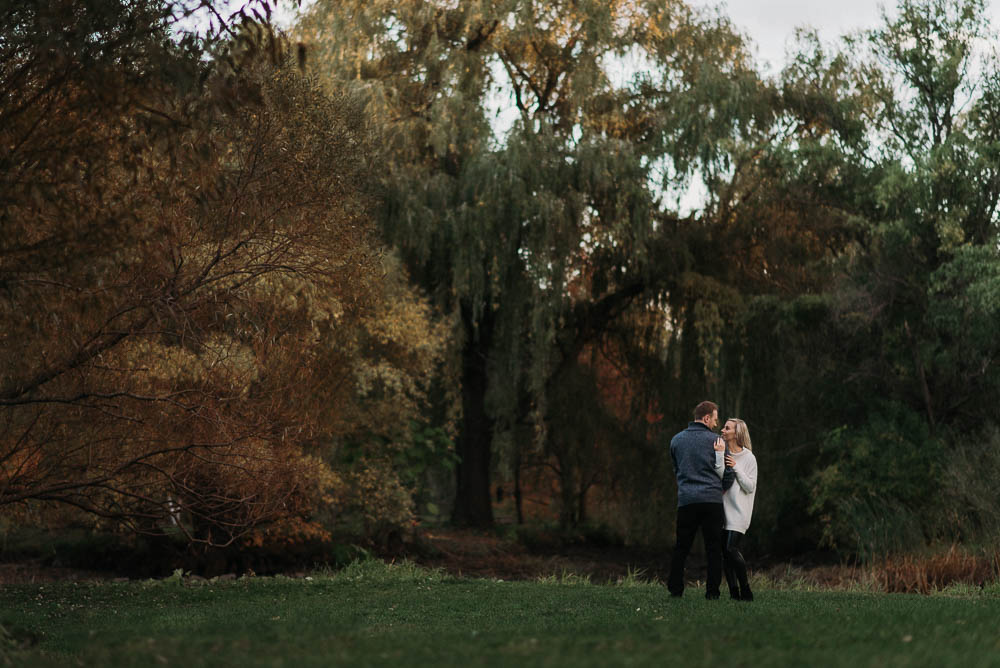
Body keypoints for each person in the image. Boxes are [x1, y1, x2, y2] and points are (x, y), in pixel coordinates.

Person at [667, 400, 726, 599]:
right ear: (706, 417)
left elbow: (677, 469)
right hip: (712, 500)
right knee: (713, 548)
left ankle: (675, 589)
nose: (716, 425)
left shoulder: (676, 440)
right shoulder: (717, 441)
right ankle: (712, 593)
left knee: (681, 547)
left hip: (687, 500)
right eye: (715, 420)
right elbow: (723, 473)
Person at [719, 418, 758, 601]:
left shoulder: (749, 457)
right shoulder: (721, 453)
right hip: (722, 510)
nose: (722, 430)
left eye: (727, 428)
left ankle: (746, 590)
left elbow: (750, 487)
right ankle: (734, 593)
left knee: (731, 548)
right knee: (725, 554)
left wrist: (736, 468)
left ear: (737, 433)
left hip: (740, 512)